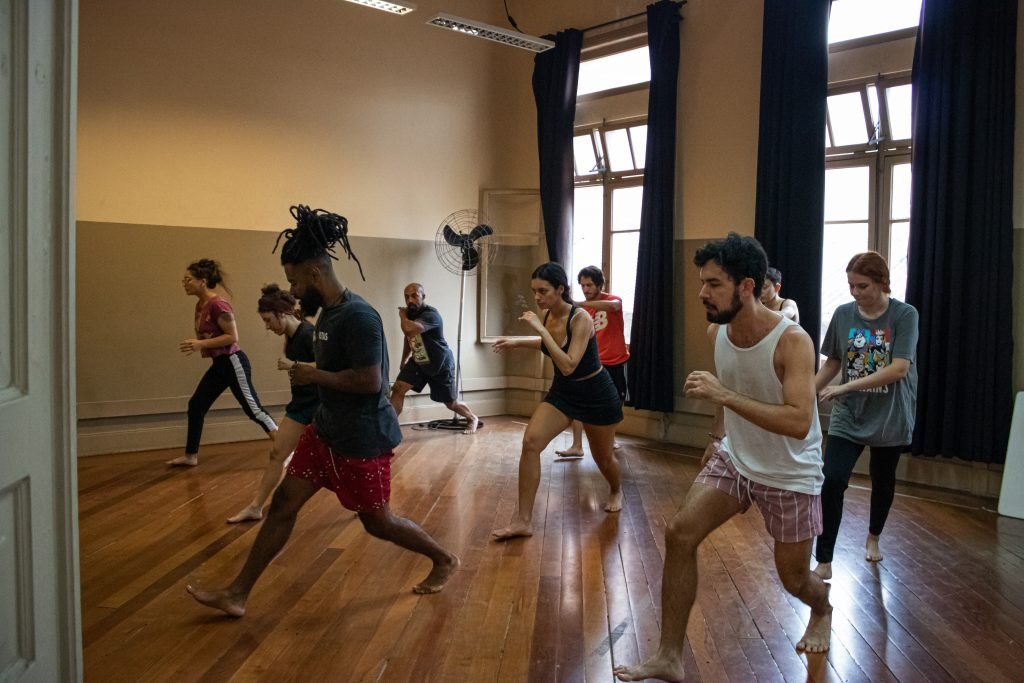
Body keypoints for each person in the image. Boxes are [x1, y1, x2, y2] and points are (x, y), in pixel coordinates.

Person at [187, 205, 458, 617]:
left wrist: (311, 374)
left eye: (295, 280)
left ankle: (443, 559)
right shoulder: (328, 313)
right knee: (282, 504)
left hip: (362, 439)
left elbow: (370, 382)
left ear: (315, 274)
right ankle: (237, 593)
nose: (293, 291)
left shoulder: (359, 316)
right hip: (326, 432)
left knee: (378, 523)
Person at [613, 233, 832, 682]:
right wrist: (716, 437)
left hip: (790, 473)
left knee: (793, 580)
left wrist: (725, 395)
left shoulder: (793, 342)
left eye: (713, 284)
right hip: (736, 457)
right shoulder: (719, 331)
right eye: (702, 282)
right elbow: (728, 394)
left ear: (747, 286)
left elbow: (797, 421)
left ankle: (822, 606)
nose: (702, 293)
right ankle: (669, 656)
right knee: (679, 533)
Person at [491, 262, 623, 541]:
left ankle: (615, 488)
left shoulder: (581, 318)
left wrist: (539, 329)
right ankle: (523, 521)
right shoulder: (549, 314)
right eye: (534, 291)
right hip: (564, 393)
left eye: (543, 291)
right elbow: (551, 344)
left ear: (560, 289)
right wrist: (517, 341)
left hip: (596, 394)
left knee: (604, 458)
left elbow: (568, 363)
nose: (538, 298)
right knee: (530, 443)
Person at [812, 252, 918, 580]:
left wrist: (843, 388)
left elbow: (898, 369)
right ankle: (824, 558)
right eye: (851, 285)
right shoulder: (844, 315)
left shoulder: (904, 315)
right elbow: (833, 361)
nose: (855, 292)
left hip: (890, 414)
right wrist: (808, 392)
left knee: (882, 482)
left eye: (863, 286)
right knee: (832, 480)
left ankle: (873, 536)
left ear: (882, 282)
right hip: (850, 414)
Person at [168, 259, 278, 467]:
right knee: (196, 405)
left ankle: (285, 449)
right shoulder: (200, 305)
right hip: (220, 364)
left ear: (203, 281)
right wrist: (202, 344)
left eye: (188, 279)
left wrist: (200, 344)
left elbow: (232, 337)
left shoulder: (218, 305)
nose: (184, 282)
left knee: (253, 409)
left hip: (233, 361)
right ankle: (191, 456)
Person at [227, 285, 318, 523]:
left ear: (283, 313)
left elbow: (330, 369)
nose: (268, 326)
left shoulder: (309, 334)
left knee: (340, 458)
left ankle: (368, 508)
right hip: (300, 405)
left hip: (321, 405)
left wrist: (293, 366)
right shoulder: (290, 335)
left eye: (269, 320)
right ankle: (256, 507)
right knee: (277, 453)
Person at [555, 265, 630, 459]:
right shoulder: (581, 309)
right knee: (581, 401)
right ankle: (577, 445)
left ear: (599, 285)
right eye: (582, 285)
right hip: (592, 362)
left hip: (614, 360)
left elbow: (614, 306)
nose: (585, 289)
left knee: (615, 401)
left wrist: (579, 303)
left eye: (589, 285)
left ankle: (610, 437)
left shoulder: (612, 300)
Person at [388, 282, 479, 434]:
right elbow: (409, 337)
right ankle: (389, 428)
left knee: (451, 403)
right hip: (419, 359)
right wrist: (404, 359)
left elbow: (409, 329)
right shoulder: (411, 316)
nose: (409, 300)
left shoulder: (431, 315)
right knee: (398, 389)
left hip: (440, 362)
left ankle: (472, 418)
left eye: (414, 296)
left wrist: (402, 316)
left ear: (423, 297)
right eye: (406, 297)